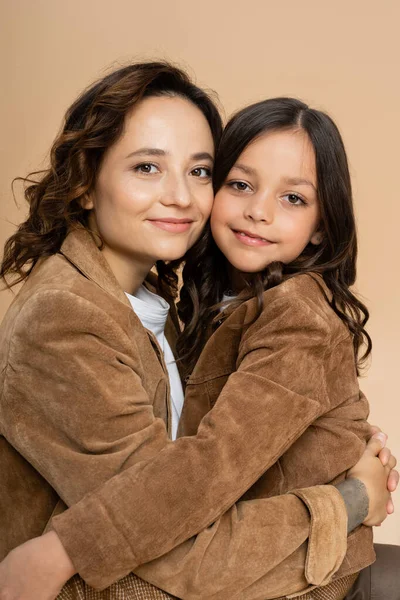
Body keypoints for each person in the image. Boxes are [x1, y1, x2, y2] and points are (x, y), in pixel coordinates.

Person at [0, 64, 397, 600]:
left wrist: (345, 464)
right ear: (86, 184)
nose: (181, 197)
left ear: (321, 224)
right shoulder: (70, 318)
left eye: (199, 171)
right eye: (147, 167)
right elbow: (175, 523)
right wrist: (350, 500)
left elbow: (204, 470)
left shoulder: (169, 302)